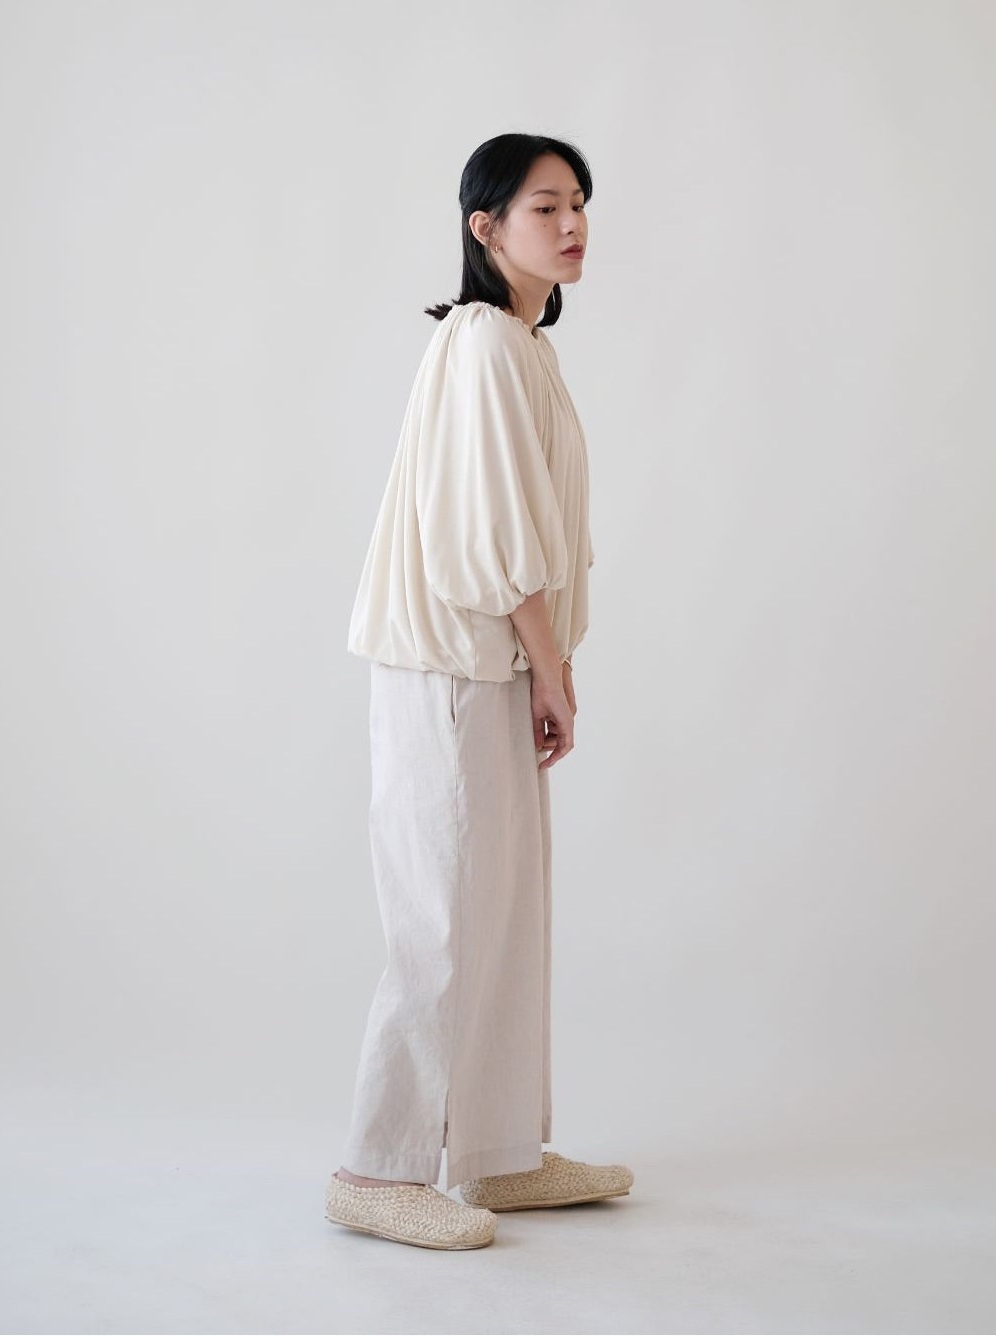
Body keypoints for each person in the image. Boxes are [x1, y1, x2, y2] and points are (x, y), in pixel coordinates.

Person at [324, 133, 633, 1250]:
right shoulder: (484, 341)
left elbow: (530, 529)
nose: (572, 222)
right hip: (451, 662)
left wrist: (549, 663)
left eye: (579, 202)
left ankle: (495, 1154)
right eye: (545, 205)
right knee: (443, 917)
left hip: (492, 658)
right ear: (484, 226)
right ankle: (375, 1167)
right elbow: (493, 533)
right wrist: (549, 664)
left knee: (501, 910)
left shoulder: (522, 346)